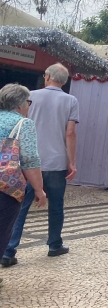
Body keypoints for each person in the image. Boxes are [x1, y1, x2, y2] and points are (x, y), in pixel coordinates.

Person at [2, 64, 77, 267]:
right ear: (64, 81)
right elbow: (70, 133)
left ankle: (8, 249)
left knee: (20, 208)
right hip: (56, 161)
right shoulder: (71, 101)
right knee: (56, 206)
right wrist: (71, 161)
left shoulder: (30, 96)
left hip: (24, 164)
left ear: (47, 77)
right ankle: (54, 244)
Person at [0, 84, 46, 277]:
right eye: (28, 102)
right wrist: (38, 189)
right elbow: (29, 160)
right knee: (2, 229)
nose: (29, 106)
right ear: (19, 104)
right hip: (6, 187)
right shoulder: (23, 123)